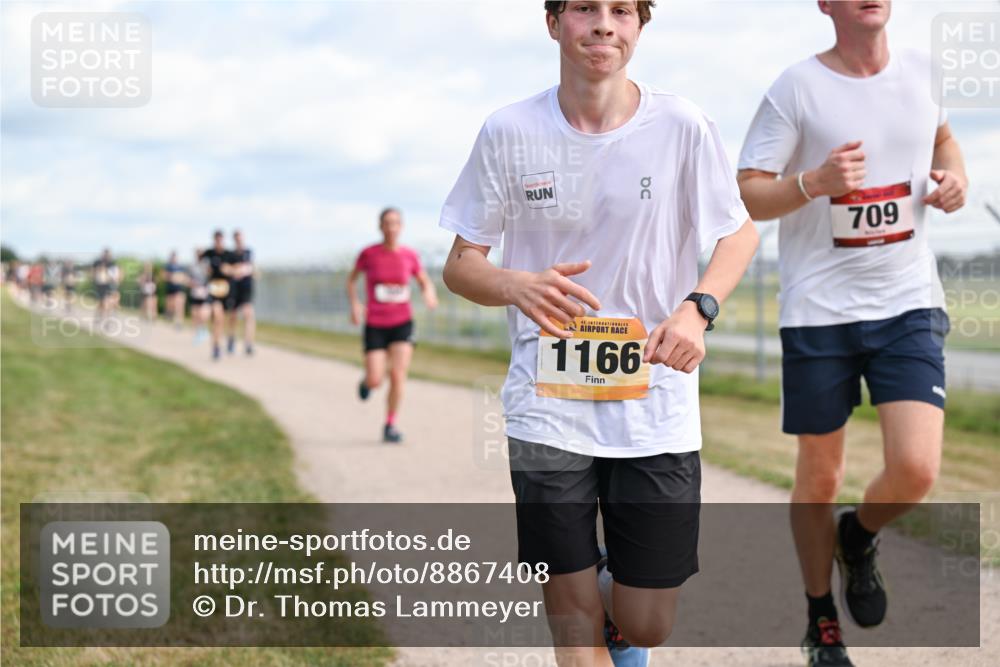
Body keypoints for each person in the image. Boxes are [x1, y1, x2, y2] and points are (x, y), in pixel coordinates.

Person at [439, 2, 758, 666]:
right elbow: (462, 263)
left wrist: (697, 309)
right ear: (554, 22)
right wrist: (516, 284)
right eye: (585, 7)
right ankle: (586, 585)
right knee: (573, 618)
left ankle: (614, 583)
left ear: (640, 25)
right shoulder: (508, 130)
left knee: (646, 623)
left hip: (654, 403)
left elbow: (739, 233)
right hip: (547, 403)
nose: (603, 24)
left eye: (621, 10)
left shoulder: (682, 125)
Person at [735, 2, 967, 666]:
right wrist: (814, 182)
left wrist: (955, 179)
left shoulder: (923, 73)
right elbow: (748, 191)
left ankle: (858, 535)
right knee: (820, 474)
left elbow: (943, 138)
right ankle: (821, 620)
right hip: (819, 309)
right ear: (824, 4)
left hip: (907, 300)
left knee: (917, 469)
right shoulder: (797, 88)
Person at [347, 207, 438, 444]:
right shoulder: (369, 254)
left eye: (395, 223)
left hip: (402, 323)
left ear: (401, 227)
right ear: (380, 226)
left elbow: (423, 280)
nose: (391, 227)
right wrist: (355, 304)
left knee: (398, 374)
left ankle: (390, 424)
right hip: (375, 324)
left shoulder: (409, 255)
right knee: (376, 379)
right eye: (387, 223)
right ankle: (367, 382)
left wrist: (428, 293)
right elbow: (351, 280)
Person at [199, 231, 234, 360]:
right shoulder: (209, 253)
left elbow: (235, 270)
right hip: (212, 289)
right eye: (216, 240)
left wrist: (229, 269)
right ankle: (207, 335)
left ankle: (216, 346)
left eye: (220, 240)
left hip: (224, 290)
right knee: (206, 315)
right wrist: (205, 268)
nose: (218, 242)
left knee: (219, 319)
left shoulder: (229, 254)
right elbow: (200, 261)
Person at [226, 230, 256, 356]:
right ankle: (231, 338)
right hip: (234, 289)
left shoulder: (248, 252)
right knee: (233, 316)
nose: (239, 241)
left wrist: (250, 270)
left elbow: (252, 267)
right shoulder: (230, 254)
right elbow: (227, 269)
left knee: (248, 314)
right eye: (237, 239)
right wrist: (235, 270)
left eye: (241, 239)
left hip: (246, 288)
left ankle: (248, 343)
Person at [188, 249, 210, 344]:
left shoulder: (207, 265)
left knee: (203, 313)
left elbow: (209, 277)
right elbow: (189, 278)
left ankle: (203, 329)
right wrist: (191, 283)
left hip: (204, 292)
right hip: (195, 291)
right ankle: (198, 332)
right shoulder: (192, 266)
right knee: (195, 313)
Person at [163, 251, 189, 329]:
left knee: (180, 306)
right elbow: (164, 276)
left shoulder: (181, 267)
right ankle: (169, 314)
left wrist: (182, 279)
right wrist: (172, 277)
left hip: (179, 289)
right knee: (171, 306)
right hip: (170, 290)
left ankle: (179, 322)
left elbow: (185, 277)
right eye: (173, 257)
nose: (174, 258)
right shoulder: (167, 266)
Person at [92, 249, 119, 319]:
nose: (106, 256)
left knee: (107, 300)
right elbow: (93, 272)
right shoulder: (97, 262)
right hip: (100, 285)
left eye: (108, 255)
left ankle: (106, 316)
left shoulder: (112, 264)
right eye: (105, 255)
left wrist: (114, 280)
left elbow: (115, 274)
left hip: (109, 284)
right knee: (101, 301)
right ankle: (99, 314)